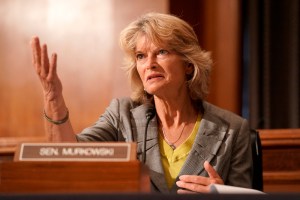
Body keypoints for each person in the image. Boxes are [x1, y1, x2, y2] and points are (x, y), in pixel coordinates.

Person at [30, 12, 253, 194]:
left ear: (188, 64)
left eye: (162, 52)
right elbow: (69, 156)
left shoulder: (233, 129)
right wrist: (53, 97)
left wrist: (224, 195)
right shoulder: (122, 115)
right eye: (141, 56)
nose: (150, 64)